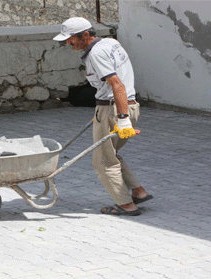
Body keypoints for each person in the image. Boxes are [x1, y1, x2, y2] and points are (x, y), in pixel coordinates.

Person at [54, 17, 153, 216]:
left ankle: (126, 205)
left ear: (85, 35)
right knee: (110, 154)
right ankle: (138, 192)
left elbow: (117, 84)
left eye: (71, 39)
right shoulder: (110, 43)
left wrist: (121, 119)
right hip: (126, 106)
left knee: (102, 161)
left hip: (115, 109)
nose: (68, 43)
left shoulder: (96, 54)